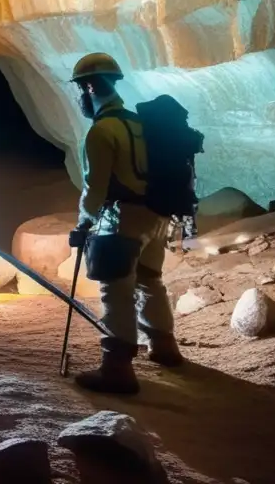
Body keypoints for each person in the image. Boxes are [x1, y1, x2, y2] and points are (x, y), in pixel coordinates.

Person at [67, 52, 182, 395]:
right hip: (156, 217)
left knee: (115, 291)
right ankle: (164, 346)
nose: (80, 99)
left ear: (89, 87)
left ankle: (116, 369)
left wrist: (83, 224)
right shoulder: (138, 123)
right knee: (150, 281)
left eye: (80, 90)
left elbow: (95, 189)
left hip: (121, 221)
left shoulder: (102, 131)